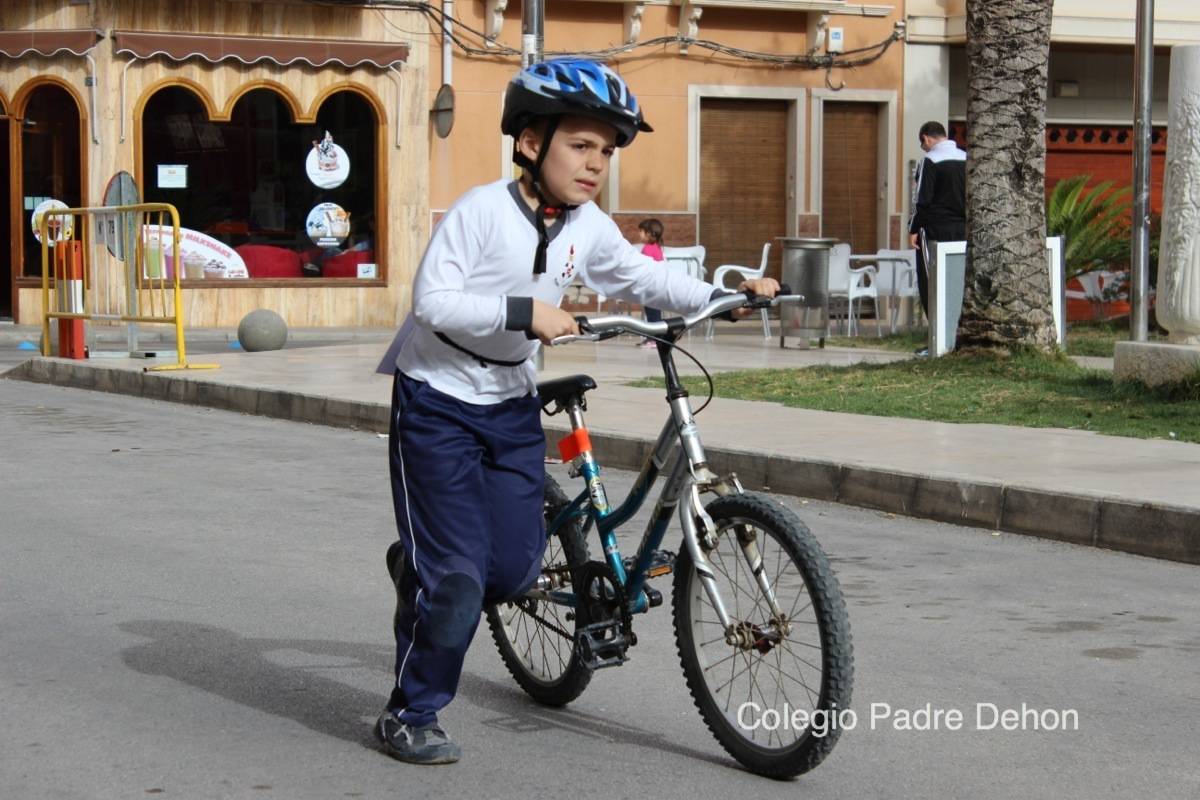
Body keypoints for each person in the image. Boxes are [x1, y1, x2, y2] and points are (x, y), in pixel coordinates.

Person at [372, 57, 779, 765]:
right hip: (436, 403)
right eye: (581, 145)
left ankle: (422, 564)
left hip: (510, 403)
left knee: (512, 576)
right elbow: (433, 303)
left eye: (607, 151)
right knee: (460, 583)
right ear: (531, 142)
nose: (596, 164)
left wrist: (726, 293)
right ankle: (412, 712)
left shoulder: (586, 225)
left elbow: (643, 276)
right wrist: (525, 312)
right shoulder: (480, 211)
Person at [908, 121, 966, 354]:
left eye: (923, 144)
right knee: (958, 284)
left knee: (931, 284)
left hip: (935, 232)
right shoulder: (965, 157)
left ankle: (936, 342)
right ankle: (956, 339)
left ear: (926, 138)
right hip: (963, 230)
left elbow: (922, 200)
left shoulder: (930, 160)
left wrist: (914, 228)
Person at [635, 218, 665, 347]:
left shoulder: (648, 249)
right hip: (656, 285)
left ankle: (655, 339)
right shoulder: (657, 248)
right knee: (654, 314)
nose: (639, 234)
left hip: (650, 286)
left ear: (649, 234)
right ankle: (654, 338)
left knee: (652, 315)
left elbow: (644, 267)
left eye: (641, 231)